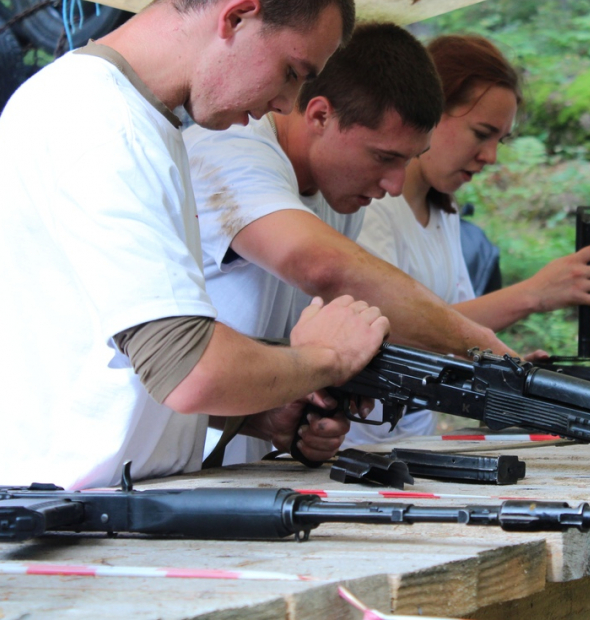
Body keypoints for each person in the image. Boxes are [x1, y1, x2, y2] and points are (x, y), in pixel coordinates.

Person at [0, 0, 388, 491]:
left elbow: (120, 361)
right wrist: (324, 357)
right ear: (236, 16)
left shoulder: (139, 124)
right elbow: (190, 369)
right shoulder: (101, 127)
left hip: (100, 514)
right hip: (61, 527)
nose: (287, 104)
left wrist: (263, 411)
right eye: (291, 71)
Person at [186, 23, 514, 462]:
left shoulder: (343, 196)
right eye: (384, 157)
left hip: (232, 464)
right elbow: (324, 267)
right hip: (134, 465)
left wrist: (284, 412)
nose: (394, 185)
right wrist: (493, 355)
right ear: (320, 115)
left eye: (408, 161)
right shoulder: (230, 150)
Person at [350, 34, 590, 445]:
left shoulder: (446, 212)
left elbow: (456, 327)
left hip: (407, 445)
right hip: (349, 444)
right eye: (481, 133)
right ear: (430, 109)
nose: (491, 156)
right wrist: (534, 295)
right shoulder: (369, 204)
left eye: (500, 140)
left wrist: (501, 363)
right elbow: (392, 328)